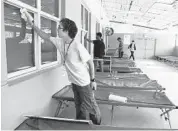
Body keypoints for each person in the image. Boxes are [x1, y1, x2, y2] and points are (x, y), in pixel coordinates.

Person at [23, 9, 101, 125]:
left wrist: (93, 80)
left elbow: (90, 62)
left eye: (59, 27)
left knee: (90, 108)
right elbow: (43, 35)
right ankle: (80, 126)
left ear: (66, 31)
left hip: (84, 83)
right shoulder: (60, 42)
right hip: (74, 82)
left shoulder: (77, 46)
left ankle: (98, 125)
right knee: (79, 106)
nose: (57, 29)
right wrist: (31, 22)